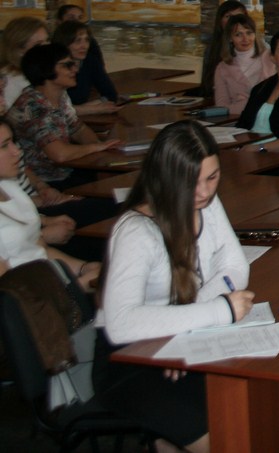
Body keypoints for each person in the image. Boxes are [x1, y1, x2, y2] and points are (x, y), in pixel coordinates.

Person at [96, 121, 253, 453]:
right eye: (192, 182)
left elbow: (236, 268)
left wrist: (184, 328)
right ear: (166, 177)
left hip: (182, 341)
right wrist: (218, 311)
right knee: (224, 438)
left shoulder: (206, 204)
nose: (205, 192)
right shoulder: (137, 231)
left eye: (212, 177)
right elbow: (121, 324)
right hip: (128, 360)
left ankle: (165, 443)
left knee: (247, 413)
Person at [0, 119, 99, 290]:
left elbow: (40, 251)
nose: (17, 151)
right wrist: (79, 287)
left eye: (13, 142)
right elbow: (7, 294)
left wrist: (83, 268)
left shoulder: (10, 187)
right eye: (4, 146)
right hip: (37, 300)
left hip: (53, 285)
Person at [6, 43, 122, 188]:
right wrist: (96, 147)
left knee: (119, 179)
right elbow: (60, 154)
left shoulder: (59, 96)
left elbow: (78, 130)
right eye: (67, 65)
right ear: (45, 70)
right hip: (44, 183)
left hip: (64, 171)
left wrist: (101, 145)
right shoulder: (33, 106)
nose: (75, 69)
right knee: (115, 189)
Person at [212, 13, 275, 117]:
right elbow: (221, 107)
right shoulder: (222, 68)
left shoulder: (271, 58)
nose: (245, 39)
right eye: (238, 34)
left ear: (255, 34)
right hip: (241, 120)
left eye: (249, 33)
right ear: (230, 38)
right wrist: (252, 106)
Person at [52, 20, 119, 113]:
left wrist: (79, 109)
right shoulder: (52, 67)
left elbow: (111, 95)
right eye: (78, 41)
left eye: (87, 40)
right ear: (64, 43)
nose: (84, 46)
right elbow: (52, 109)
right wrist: (93, 109)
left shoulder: (90, 61)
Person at [198, 0, 248, 98]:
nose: (233, 21)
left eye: (238, 16)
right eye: (228, 16)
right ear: (220, 21)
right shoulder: (212, 47)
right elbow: (207, 82)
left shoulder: (259, 46)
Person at [1, 15, 49, 109]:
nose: (48, 48)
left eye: (47, 41)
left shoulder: (42, 72)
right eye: (38, 45)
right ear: (18, 50)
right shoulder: (10, 81)